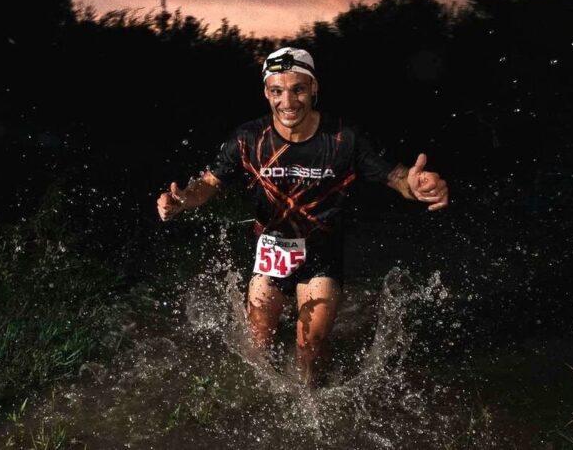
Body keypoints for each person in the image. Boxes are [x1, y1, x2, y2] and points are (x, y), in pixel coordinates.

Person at [157, 47, 448, 387]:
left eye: (298, 89)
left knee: (310, 349)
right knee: (257, 345)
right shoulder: (249, 138)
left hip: (322, 253)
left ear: (313, 88)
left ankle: (315, 405)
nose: (288, 101)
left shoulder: (343, 138)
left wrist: (416, 186)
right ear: (267, 92)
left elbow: (396, 177)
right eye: (277, 91)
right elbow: (208, 183)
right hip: (272, 253)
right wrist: (182, 200)